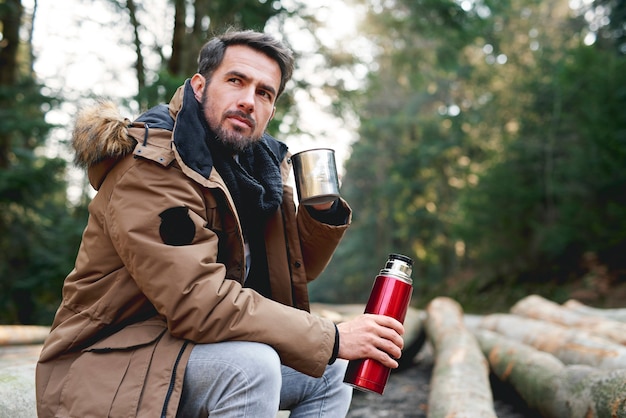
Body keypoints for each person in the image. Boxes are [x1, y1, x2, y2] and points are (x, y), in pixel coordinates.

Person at [36, 29, 405, 417]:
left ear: (272, 110)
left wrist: (322, 211)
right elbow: (196, 300)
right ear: (199, 86)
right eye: (235, 81)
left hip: (184, 349)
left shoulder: (257, 171)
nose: (248, 100)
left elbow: (296, 272)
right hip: (105, 363)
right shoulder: (151, 169)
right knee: (251, 367)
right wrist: (331, 336)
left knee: (328, 373)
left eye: (264, 93)